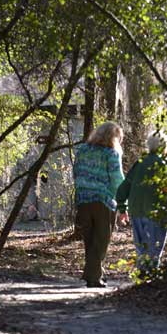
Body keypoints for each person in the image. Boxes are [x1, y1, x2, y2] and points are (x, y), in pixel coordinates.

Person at [116, 130, 167, 279]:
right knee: (155, 248)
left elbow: (123, 188)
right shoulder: (166, 164)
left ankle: (142, 276)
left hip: (136, 210)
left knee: (141, 247)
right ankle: (151, 277)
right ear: (164, 146)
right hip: (157, 212)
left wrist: (122, 208)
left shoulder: (140, 163)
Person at [73, 121, 124, 288]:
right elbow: (117, 180)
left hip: (83, 200)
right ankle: (93, 278)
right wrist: (123, 203)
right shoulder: (111, 153)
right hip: (103, 201)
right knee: (101, 239)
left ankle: (94, 274)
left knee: (89, 239)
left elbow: (76, 172)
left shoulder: (82, 150)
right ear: (112, 137)